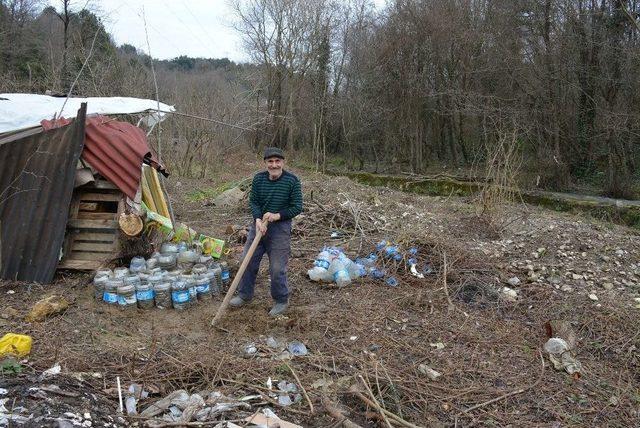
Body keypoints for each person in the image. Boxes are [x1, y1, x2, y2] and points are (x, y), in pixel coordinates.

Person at [229, 147, 303, 316]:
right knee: (247, 261)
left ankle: (281, 300)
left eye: (277, 161)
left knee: (277, 268)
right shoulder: (259, 179)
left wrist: (276, 216)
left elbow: (297, 206)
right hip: (259, 226)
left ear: (283, 162)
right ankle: (244, 294)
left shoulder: (292, 181)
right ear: (265, 163)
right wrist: (257, 219)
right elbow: (254, 201)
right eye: (270, 161)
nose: (274, 165)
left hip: (280, 228)